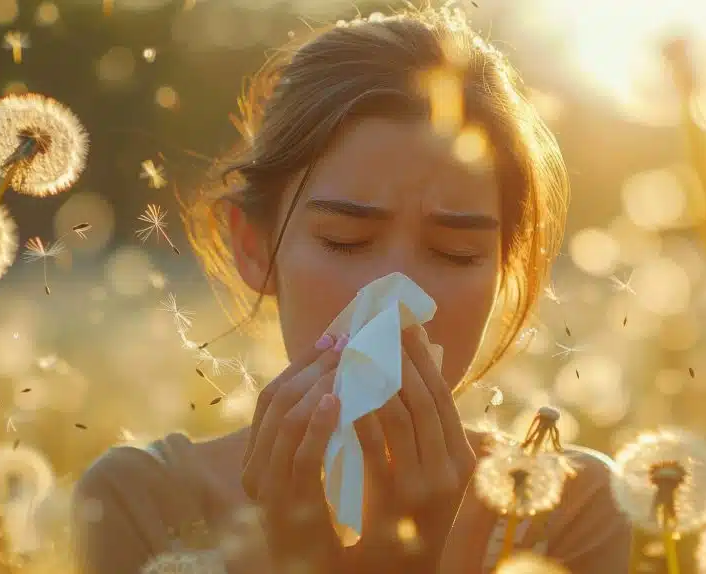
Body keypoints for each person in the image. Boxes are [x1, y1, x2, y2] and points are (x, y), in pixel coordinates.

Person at [72, 6, 631, 574]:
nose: (394, 297)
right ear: (254, 247)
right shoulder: (142, 501)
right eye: (345, 240)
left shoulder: (572, 510)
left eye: (456, 252)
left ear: (505, 269)